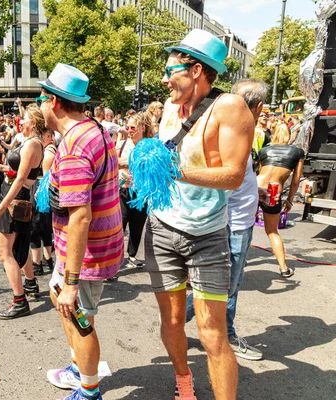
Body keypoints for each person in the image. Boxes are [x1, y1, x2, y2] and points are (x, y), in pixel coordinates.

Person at [146, 29, 254, 400]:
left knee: (211, 333)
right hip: (162, 230)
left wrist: (172, 171)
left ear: (195, 70)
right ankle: (184, 384)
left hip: (207, 236)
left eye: (170, 70)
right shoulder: (171, 110)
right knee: (173, 321)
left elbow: (234, 176)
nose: (164, 79)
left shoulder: (230, 108)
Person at [40, 64, 123, 400]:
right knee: (56, 295)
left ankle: (89, 392)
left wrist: (72, 283)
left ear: (54, 103)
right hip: (92, 246)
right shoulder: (94, 129)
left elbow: (80, 218)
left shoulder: (74, 146)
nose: (40, 105)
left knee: (77, 314)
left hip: (88, 251)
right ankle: (79, 367)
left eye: (41, 98)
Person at [185, 78, 270, 362]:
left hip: (236, 219)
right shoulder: (236, 127)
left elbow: (235, 175)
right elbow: (224, 178)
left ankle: (180, 318)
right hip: (232, 222)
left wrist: (254, 187)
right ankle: (223, 334)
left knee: (226, 283)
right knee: (228, 284)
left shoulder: (231, 125)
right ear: (257, 107)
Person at [0, 104, 45, 319]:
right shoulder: (28, 142)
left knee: (4, 253)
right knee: (19, 245)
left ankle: (19, 301)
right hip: (14, 195)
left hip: (14, 198)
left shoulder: (33, 144)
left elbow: (22, 179)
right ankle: (30, 283)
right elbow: (20, 173)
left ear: (35, 123)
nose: (21, 121)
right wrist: (2, 169)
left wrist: (2, 206)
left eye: (25, 118)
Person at [257, 123, 304, 278]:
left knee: (242, 227)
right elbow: (296, 181)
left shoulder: (264, 150)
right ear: (289, 135)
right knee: (272, 231)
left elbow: (259, 171)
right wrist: (289, 201)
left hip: (255, 187)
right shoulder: (297, 152)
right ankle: (284, 268)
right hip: (273, 191)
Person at [118, 112, 154, 268]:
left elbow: (152, 166)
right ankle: (116, 260)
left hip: (141, 193)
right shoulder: (122, 144)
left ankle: (132, 255)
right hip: (122, 190)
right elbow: (115, 162)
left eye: (132, 127)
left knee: (137, 226)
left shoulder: (150, 146)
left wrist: (128, 163)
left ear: (142, 128)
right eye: (127, 127)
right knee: (119, 225)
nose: (129, 130)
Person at [30, 128, 56, 275]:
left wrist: (40, 192)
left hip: (40, 189)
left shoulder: (48, 152)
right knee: (45, 228)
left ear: (48, 136)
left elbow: (46, 176)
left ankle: (37, 263)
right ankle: (48, 260)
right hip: (44, 191)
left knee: (35, 228)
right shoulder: (52, 149)